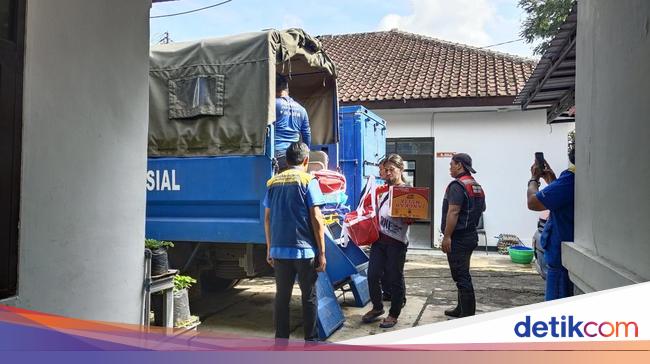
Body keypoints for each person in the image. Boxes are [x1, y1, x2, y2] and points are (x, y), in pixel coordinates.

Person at [263, 142, 326, 342]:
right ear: (306, 160)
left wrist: (269, 248)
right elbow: (316, 218)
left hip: (279, 251)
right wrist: (322, 252)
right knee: (309, 298)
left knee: (282, 298)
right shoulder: (308, 180)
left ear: (287, 161)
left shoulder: (272, 182)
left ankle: (281, 342)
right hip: (304, 252)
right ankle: (311, 342)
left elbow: (267, 217)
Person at [362, 154, 411, 329]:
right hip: (379, 240)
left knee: (394, 277)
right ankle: (377, 307)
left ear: (401, 170)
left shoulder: (408, 191)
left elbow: (411, 219)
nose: (388, 173)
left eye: (392, 170)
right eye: (386, 170)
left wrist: (406, 215)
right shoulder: (384, 190)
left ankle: (394, 313)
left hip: (396, 242)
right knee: (373, 275)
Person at [526, 146, 575, 301]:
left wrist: (534, 179)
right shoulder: (579, 177)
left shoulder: (571, 178)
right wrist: (552, 181)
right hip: (562, 254)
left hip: (560, 257)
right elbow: (562, 200)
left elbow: (533, 203)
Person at [441, 153, 486, 318]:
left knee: (461, 276)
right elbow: (482, 209)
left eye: (451, 164)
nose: (450, 168)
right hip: (471, 235)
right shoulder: (476, 185)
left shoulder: (457, 186)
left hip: (458, 238)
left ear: (459, 165)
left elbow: (453, 212)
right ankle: (461, 309)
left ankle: (467, 314)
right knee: (462, 273)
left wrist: (447, 237)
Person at [273, 74, 311, 171]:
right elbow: (307, 136)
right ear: (287, 89)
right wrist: (305, 155)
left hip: (275, 155)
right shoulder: (302, 109)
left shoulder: (272, 105)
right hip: (295, 158)